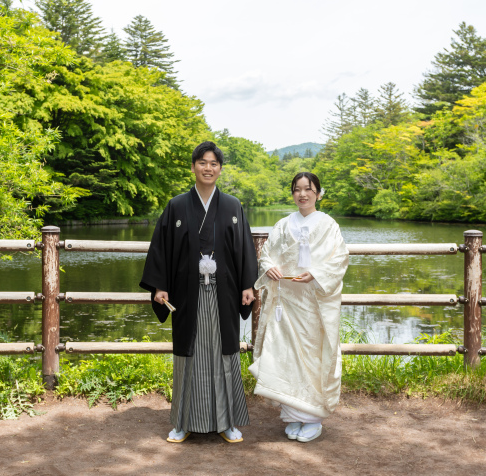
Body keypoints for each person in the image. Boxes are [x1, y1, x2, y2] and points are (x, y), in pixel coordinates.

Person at [140, 141, 257, 444]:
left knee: (224, 354)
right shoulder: (177, 205)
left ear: (220, 169)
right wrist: (160, 285)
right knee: (188, 355)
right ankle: (183, 422)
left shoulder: (232, 205)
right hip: (186, 294)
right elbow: (161, 248)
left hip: (224, 293)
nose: (208, 168)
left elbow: (244, 248)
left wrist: (247, 284)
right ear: (193, 167)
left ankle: (227, 422)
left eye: (214, 163)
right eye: (202, 162)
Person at [248, 172, 349, 443]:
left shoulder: (328, 225)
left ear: (318, 193)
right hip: (286, 301)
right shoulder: (283, 224)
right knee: (286, 356)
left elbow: (339, 258)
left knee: (312, 356)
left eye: (308, 189)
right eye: (297, 189)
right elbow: (266, 254)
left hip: (314, 302)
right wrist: (269, 267)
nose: (302, 194)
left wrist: (316, 273)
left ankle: (313, 418)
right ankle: (292, 415)